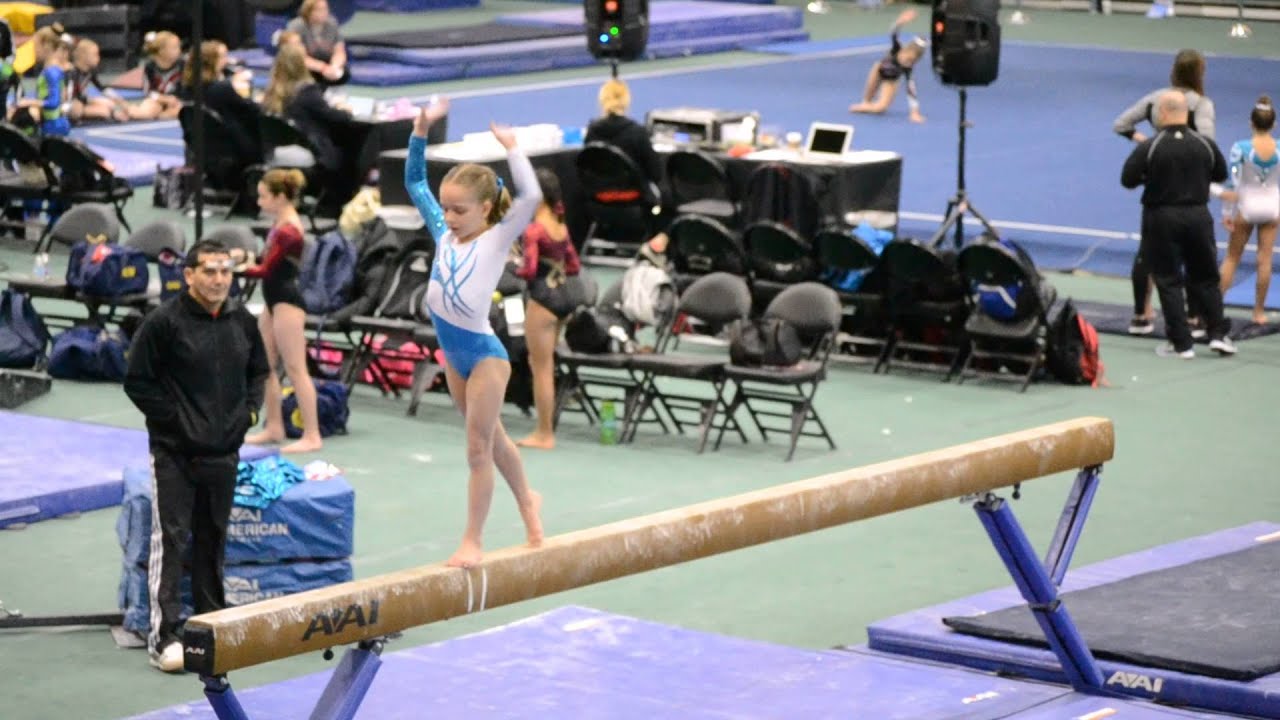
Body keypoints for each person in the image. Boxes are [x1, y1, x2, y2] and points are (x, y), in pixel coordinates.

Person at [405, 98, 544, 567]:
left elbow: (529, 199)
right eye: (446, 208)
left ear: (486, 208)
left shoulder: (495, 239)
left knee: (476, 448)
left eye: (460, 209)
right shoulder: (445, 233)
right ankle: (528, 500)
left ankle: (472, 541)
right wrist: (421, 130)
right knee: (495, 440)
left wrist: (513, 149)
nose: (450, 216)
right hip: (454, 355)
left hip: (485, 355)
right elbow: (413, 181)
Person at [123, 239, 270, 672]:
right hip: (175, 454)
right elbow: (138, 382)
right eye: (209, 271)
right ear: (188, 275)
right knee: (170, 540)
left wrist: (248, 413)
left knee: (213, 537)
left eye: (226, 271)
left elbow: (258, 371)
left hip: (224, 451)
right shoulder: (163, 323)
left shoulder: (242, 320)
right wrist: (177, 423)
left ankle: (211, 625)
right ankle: (164, 636)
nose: (219, 279)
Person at [1121, 91, 1234, 359]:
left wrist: (1151, 177)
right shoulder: (1204, 144)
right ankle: (1218, 334)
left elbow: (1127, 179)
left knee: (1169, 280)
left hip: (1162, 218)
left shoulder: (1151, 146)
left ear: (1161, 113)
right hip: (1198, 216)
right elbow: (1220, 174)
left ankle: (1181, 344)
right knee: (1206, 277)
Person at [1114, 49, 1216, 335]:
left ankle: (1140, 315)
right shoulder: (1202, 104)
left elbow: (1120, 124)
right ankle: (1194, 317)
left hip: (1159, 180)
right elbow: (1208, 145)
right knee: (1195, 252)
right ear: (1200, 74)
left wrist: (1147, 143)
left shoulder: (1157, 98)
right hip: (1191, 185)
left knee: (1148, 249)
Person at [242, 169, 325, 454]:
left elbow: (266, 269)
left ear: (279, 197)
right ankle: (274, 426)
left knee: (295, 368)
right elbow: (267, 261)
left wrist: (237, 268)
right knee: (264, 366)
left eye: (263, 195)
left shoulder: (289, 229)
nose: (259, 200)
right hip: (272, 301)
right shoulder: (280, 222)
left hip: (287, 302)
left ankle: (312, 435)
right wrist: (244, 259)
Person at [515, 168, 582, 450]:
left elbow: (529, 271)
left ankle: (544, 433)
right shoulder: (560, 226)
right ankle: (545, 429)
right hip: (563, 298)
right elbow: (573, 266)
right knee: (545, 365)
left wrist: (512, 265)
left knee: (540, 367)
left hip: (542, 300)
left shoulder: (534, 230)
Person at [262, 43, 357, 210]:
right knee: (351, 150)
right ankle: (339, 202)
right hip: (309, 148)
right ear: (302, 63)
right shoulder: (306, 91)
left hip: (279, 147)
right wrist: (346, 111)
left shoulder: (272, 91)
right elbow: (333, 117)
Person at [1218, 96, 1278, 326]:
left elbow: (1233, 183)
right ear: (1273, 125)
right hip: (1272, 207)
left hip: (1248, 205)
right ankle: (1259, 312)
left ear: (1251, 123)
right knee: (1265, 260)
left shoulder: (1240, 149)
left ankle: (1216, 306)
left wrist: (1227, 212)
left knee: (1232, 257)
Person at [181, 40, 262, 164]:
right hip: (232, 148)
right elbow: (252, 110)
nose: (227, 60)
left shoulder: (187, 87)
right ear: (212, 61)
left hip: (200, 149)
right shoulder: (222, 88)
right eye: (223, 56)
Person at [848, 9, 927, 123]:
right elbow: (894, 32)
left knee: (881, 108)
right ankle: (866, 103)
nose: (908, 62)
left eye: (913, 61)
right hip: (878, 70)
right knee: (867, 99)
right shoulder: (897, 48)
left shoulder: (908, 68)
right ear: (906, 50)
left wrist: (914, 113)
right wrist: (901, 21)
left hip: (890, 81)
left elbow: (911, 91)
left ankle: (864, 107)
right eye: (909, 59)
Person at [13, 27, 72, 137]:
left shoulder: (52, 72)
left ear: (46, 46)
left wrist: (29, 102)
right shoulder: (51, 70)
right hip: (51, 122)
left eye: (36, 46)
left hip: (54, 125)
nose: (34, 50)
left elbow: (54, 102)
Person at [285, 0, 349, 87]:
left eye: (325, 9)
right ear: (308, 11)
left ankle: (331, 92)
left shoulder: (332, 23)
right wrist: (323, 68)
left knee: (344, 72)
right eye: (319, 9)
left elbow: (339, 51)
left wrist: (335, 66)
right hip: (306, 65)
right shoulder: (296, 26)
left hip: (327, 62)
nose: (324, 12)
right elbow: (298, 57)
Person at [67, 39, 129, 123]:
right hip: (72, 105)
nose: (98, 58)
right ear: (84, 56)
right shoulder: (72, 72)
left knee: (109, 104)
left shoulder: (90, 72)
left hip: (83, 101)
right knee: (104, 112)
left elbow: (102, 88)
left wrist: (118, 99)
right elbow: (68, 95)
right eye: (95, 55)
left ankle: (114, 114)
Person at [129, 31, 184, 121]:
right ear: (162, 51)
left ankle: (160, 116)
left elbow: (189, 90)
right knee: (145, 112)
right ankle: (129, 110)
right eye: (175, 48)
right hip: (158, 100)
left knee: (181, 111)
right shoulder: (150, 67)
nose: (179, 50)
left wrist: (175, 100)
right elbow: (148, 92)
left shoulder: (183, 65)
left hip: (178, 102)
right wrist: (162, 99)